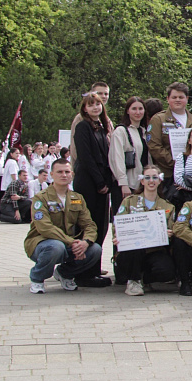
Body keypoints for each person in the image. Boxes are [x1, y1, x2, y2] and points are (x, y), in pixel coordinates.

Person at [25, 160, 104, 293]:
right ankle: (37, 279)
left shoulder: (77, 198)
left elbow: (89, 224)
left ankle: (65, 274)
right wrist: (72, 242)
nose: (64, 175)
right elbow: (45, 227)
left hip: (67, 245)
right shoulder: (41, 198)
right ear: (51, 174)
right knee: (56, 247)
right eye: (59, 172)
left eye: (67, 172)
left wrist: (85, 242)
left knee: (95, 249)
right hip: (42, 244)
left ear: (72, 174)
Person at [112, 166, 177, 296]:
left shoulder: (168, 206)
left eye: (154, 177)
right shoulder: (129, 202)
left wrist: (168, 234)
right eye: (147, 177)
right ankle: (133, 281)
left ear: (160, 180)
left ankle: (144, 279)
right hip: (131, 252)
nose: (151, 181)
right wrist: (117, 236)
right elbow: (117, 225)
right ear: (142, 181)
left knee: (167, 271)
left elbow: (172, 228)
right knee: (135, 246)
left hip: (154, 251)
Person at [72, 93, 113, 284]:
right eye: (91, 105)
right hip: (88, 182)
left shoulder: (102, 127)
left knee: (101, 225)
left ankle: (94, 268)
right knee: (87, 225)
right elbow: (86, 157)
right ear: (85, 108)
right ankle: (83, 272)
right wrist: (99, 182)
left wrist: (107, 181)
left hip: (101, 182)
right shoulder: (83, 126)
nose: (96, 107)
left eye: (98, 104)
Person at [147, 82, 192, 197]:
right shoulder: (158, 119)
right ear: (168, 99)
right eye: (174, 97)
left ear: (187, 99)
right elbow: (154, 147)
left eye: (181, 97)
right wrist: (177, 163)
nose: (177, 100)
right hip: (168, 175)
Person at [109, 97, 150, 211]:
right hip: (126, 185)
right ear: (127, 111)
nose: (138, 112)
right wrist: (123, 183)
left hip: (141, 185)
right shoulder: (121, 131)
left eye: (140, 109)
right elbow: (117, 158)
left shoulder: (143, 131)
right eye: (134, 109)